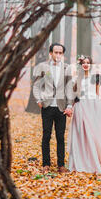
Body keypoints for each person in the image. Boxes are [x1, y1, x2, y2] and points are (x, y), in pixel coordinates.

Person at [32, 43, 74, 174]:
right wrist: (39, 99)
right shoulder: (44, 67)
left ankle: (61, 165)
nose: (58, 55)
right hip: (47, 106)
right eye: (55, 52)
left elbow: (70, 88)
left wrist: (69, 105)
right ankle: (46, 164)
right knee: (46, 136)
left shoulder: (67, 68)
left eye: (60, 53)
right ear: (51, 53)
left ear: (63, 55)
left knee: (60, 137)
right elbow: (37, 85)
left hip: (61, 108)